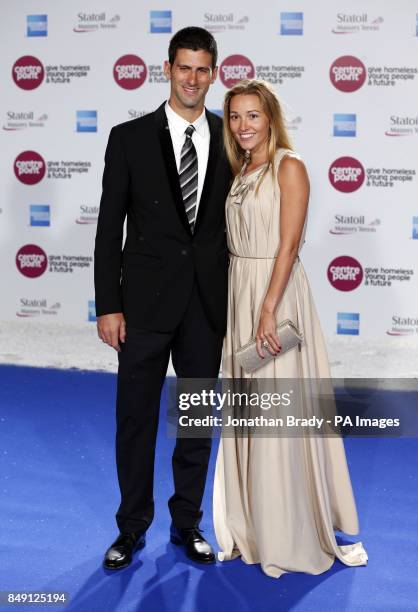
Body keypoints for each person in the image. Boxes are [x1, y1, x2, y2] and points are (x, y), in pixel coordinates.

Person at [213, 79, 368, 578]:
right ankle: (253, 521)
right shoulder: (242, 170)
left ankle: (289, 528)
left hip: (273, 297)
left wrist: (267, 309)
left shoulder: (289, 166)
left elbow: (289, 244)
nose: (243, 126)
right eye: (235, 116)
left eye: (253, 116)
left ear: (271, 117)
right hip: (242, 291)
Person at [94, 27, 231, 570]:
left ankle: (187, 523)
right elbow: (109, 229)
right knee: (136, 420)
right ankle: (130, 528)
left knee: (196, 420)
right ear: (167, 69)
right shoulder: (128, 138)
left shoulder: (230, 137)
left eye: (203, 70)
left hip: (205, 309)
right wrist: (109, 304)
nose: (193, 79)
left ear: (213, 74)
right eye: (184, 68)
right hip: (144, 307)